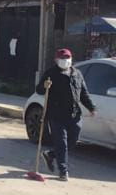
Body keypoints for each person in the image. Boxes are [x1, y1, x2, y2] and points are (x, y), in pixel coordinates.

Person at [36, 49, 95, 182]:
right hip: (56, 114)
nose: (65, 60)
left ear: (71, 59)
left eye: (67, 57)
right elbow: (39, 90)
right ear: (56, 60)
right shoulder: (51, 74)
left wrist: (91, 108)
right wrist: (45, 86)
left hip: (74, 114)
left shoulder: (77, 74)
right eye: (62, 58)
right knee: (61, 142)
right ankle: (63, 171)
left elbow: (83, 93)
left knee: (73, 140)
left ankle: (50, 154)